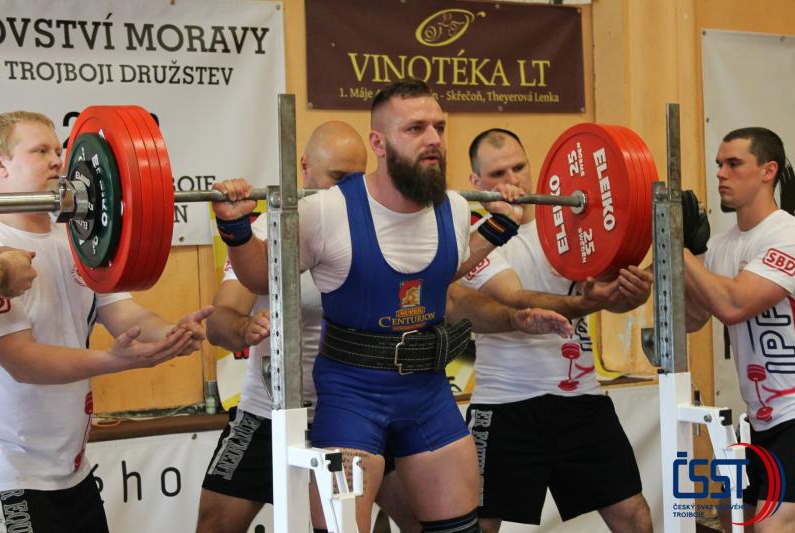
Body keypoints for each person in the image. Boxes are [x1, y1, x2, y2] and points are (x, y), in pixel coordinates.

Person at [211, 79, 572, 533]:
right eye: (415, 128)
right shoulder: (327, 211)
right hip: (350, 401)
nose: (433, 138)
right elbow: (262, 277)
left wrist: (497, 229)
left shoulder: (455, 208)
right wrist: (237, 230)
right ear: (378, 144)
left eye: (439, 127)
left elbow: (444, 269)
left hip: (429, 395)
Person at [197, 120, 422, 533]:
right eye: (337, 177)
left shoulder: (376, 232)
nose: (346, 191)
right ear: (304, 166)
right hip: (270, 412)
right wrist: (244, 328)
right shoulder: (262, 235)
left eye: (356, 179)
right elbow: (218, 322)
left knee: (424, 519)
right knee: (214, 524)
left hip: (358, 410)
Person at [0, 110, 212, 532]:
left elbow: (124, 313)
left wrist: (169, 334)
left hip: (72, 468)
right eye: (40, 151)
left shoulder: (77, 237)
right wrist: (115, 361)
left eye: (58, 150)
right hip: (11, 473)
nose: (58, 161)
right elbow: (23, 361)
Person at [459, 128, 654, 532]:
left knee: (635, 517)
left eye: (519, 167)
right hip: (504, 403)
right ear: (476, 182)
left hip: (580, 398)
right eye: (498, 174)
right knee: (479, 526)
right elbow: (515, 298)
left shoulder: (575, 228)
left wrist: (630, 294)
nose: (512, 181)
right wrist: (589, 302)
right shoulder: (474, 242)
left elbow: (608, 297)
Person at [684, 127, 795, 532]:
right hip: (759, 419)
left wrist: (679, 248)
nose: (721, 174)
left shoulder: (787, 235)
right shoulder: (721, 246)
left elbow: (734, 306)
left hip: (793, 412)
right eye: (719, 165)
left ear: (768, 171)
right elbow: (694, 318)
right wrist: (686, 257)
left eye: (734, 164)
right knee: (735, 521)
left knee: (772, 525)